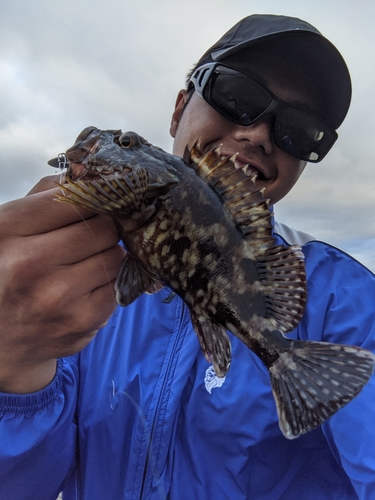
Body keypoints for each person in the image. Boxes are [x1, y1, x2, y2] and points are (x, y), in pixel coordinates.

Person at [0, 14, 374, 500]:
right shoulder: (64, 288)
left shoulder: (348, 306)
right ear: (178, 110)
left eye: (300, 132)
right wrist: (13, 359)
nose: (259, 133)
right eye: (237, 96)